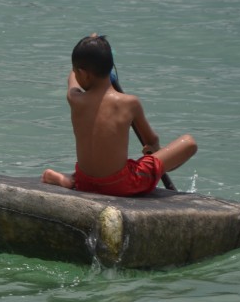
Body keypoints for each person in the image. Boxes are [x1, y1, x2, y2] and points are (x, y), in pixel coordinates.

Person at [41, 34, 197, 196]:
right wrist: (155, 150)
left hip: (85, 182)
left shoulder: (75, 99)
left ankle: (68, 180)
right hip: (120, 186)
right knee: (189, 143)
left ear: (84, 73)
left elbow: (72, 77)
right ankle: (70, 180)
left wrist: (89, 43)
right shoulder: (129, 103)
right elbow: (151, 141)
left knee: (93, 173)